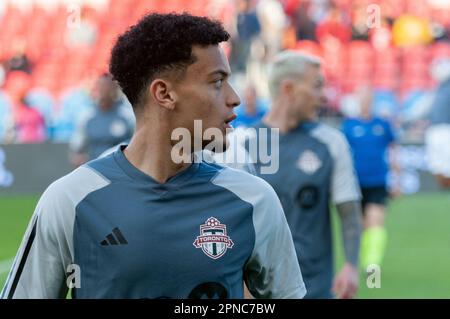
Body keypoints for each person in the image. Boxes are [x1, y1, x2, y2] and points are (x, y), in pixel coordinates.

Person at [1, 13, 305, 299]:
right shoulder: (69, 201)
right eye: (216, 82)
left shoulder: (254, 200)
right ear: (164, 94)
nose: (234, 97)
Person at [247, 51, 362, 299]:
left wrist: (351, 266)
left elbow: (349, 212)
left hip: (316, 288)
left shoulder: (332, 143)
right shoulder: (242, 145)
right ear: (289, 89)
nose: (323, 96)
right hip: (258, 290)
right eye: (317, 86)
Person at [342, 85, 399, 270]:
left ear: (372, 101)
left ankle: (372, 267)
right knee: (361, 227)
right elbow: (342, 155)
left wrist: (397, 179)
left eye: (368, 99)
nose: (365, 102)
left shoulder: (382, 125)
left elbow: (393, 151)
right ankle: (359, 262)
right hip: (355, 184)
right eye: (362, 98)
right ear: (357, 101)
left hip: (378, 181)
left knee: (375, 225)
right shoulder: (349, 126)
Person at [69, 73, 135, 166]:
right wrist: (78, 158)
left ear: (115, 89)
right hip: (95, 169)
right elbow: (77, 147)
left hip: (120, 169)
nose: (105, 91)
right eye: (102, 87)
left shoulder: (127, 116)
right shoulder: (87, 116)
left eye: (108, 87)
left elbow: (137, 142)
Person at [426, 57, 450, 189]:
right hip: (435, 129)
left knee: (447, 166)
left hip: (446, 129)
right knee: (437, 166)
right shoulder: (437, 89)